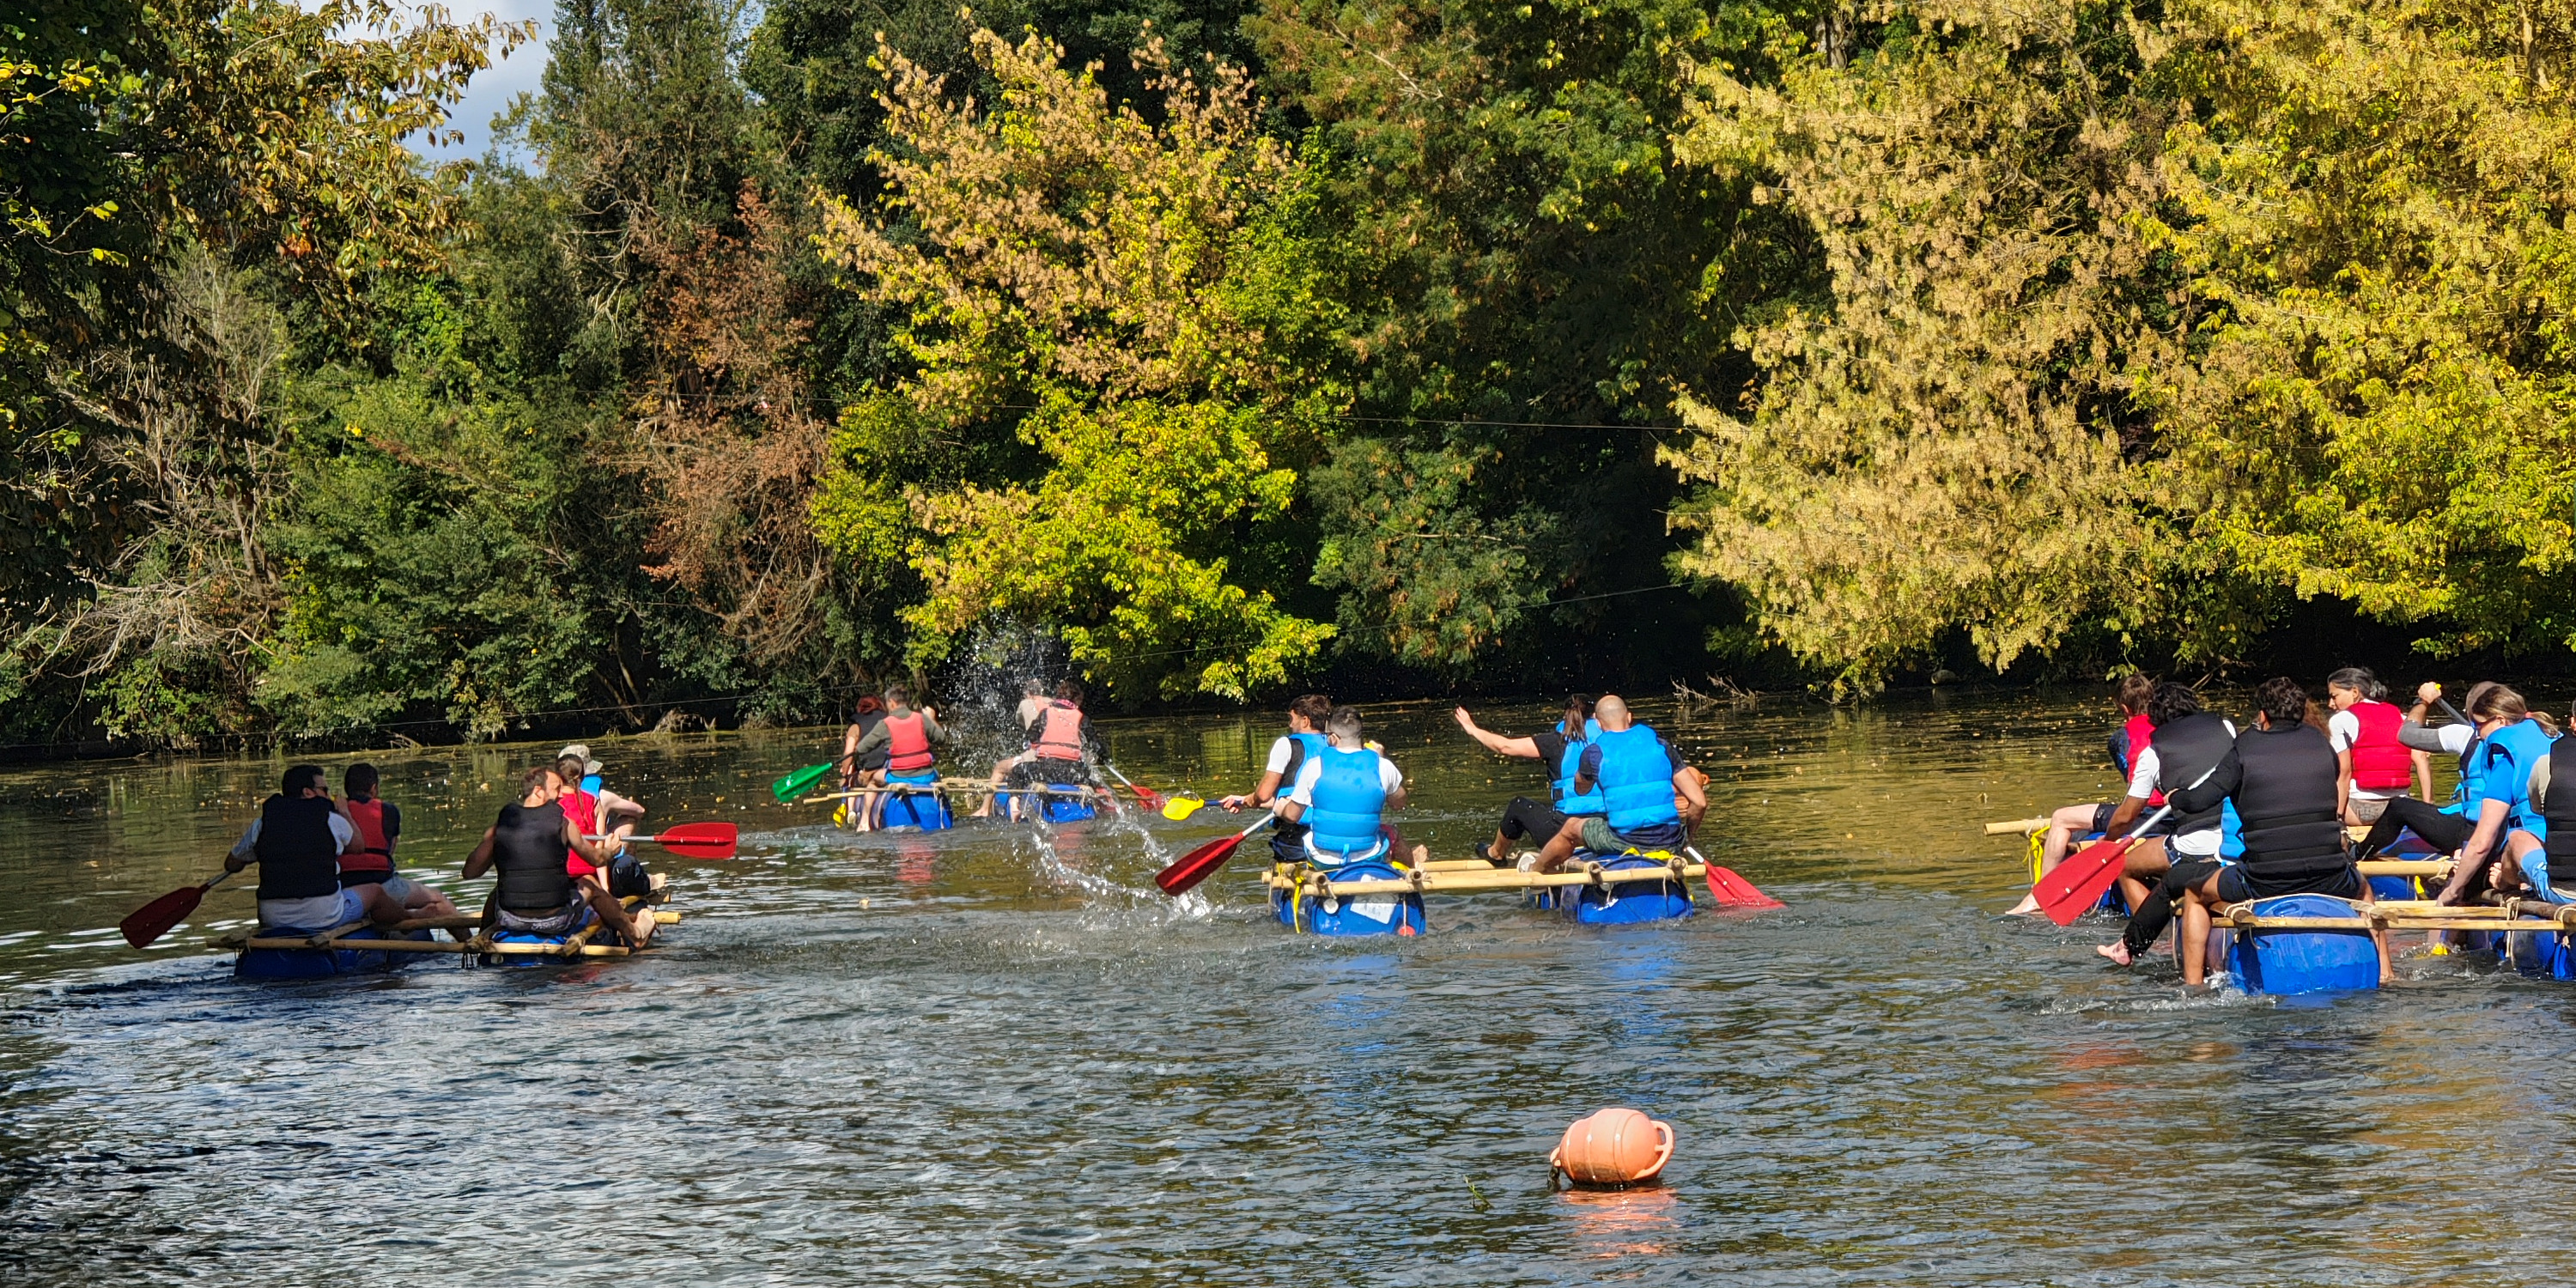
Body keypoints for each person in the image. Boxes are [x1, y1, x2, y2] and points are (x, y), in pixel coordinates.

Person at [2107, 678, 2390, 986]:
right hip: (2331, 872)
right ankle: (2386, 972)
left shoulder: (2246, 747)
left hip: (2265, 879)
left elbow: (2203, 798)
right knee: (2364, 889)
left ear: (2264, 715)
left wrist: (2175, 796)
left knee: (2193, 892)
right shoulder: (2322, 744)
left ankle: (2193, 988)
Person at [2039, 682, 2233, 926]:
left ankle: (2150, 934)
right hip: (2234, 832)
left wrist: (2107, 841)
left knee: (2124, 867)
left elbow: (2126, 815)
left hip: (2192, 840)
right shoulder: (2226, 728)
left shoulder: (2153, 753)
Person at [224, 765, 455, 932]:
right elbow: (358, 846)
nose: (329, 795)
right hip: (322, 915)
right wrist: (344, 813)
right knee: (375, 891)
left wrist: (259, 852)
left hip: (272, 918)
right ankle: (409, 918)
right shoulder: (330, 819)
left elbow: (231, 864)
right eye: (324, 790)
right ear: (308, 792)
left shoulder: (263, 824)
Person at [463, 765, 653, 945]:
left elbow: (470, 872)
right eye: (556, 789)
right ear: (538, 791)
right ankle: (635, 935)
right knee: (590, 883)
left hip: (509, 919)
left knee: (498, 891)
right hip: (555, 920)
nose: (562, 794)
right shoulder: (564, 823)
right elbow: (596, 859)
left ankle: (482, 938)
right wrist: (611, 850)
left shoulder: (502, 825)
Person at [1530, 695, 1706, 874]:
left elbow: (1581, 789)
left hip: (1625, 840)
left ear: (1598, 724)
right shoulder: (1661, 745)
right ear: (1629, 717)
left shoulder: (1594, 753)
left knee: (1570, 828)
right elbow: (1699, 803)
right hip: (1671, 840)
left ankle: (1536, 873)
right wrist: (1686, 838)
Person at [2026, 675, 2162, 895]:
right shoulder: (2171, 730)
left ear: (2125, 709)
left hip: (2142, 816)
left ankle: (2042, 895)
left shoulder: (2120, 738)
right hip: (2170, 812)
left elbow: (2130, 778)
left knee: (2060, 818)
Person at [2435, 685, 2559, 909]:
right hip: (2561, 846)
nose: (2477, 734)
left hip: (2534, 849)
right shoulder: (2553, 737)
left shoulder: (2505, 760)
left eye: (2478, 725)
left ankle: (2447, 941)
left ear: (2500, 721)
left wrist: (2452, 890)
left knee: (2459, 885)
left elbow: (2482, 842)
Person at [1452, 696, 1601, 865]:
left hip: (1560, 834)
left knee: (1519, 805)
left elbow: (1504, 747)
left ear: (1565, 716)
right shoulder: (1608, 741)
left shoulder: (1554, 742)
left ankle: (1496, 854)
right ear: (1595, 716)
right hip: (1603, 830)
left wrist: (1473, 729)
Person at [1273, 706, 1420, 868]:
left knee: (1308, 835)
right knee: (1392, 833)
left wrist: (1281, 810)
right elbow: (1399, 803)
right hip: (1368, 855)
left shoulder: (1314, 766)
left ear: (1333, 738)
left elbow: (1293, 816)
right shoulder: (1382, 766)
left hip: (1322, 858)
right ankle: (1413, 874)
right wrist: (1381, 758)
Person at [1218, 694, 1333, 866]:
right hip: (1331, 834)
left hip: (1296, 839)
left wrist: (1253, 800)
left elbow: (1264, 794)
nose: (1289, 724)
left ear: (1305, 721)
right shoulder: (1336, 745)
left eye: (1292, 719)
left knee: (1278, 866)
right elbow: (1299, 797)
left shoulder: (1285, 745)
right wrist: (1244, 800)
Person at [976, 679, 1100, 817]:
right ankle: (1096, 805)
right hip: (1073, 773)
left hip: (1047, 771)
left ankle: (1014, 805)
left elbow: (1031, 736)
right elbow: (1097, 746)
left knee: (1017, 771)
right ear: (1076, 699)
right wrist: (1102, 758)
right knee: (1093, 776)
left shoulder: (1046, 713)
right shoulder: (1082, 718)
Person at [844, 685, 951, 829]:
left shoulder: (886, 724)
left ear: (892, 702)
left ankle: (864, 822)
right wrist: (931, 719)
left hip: (899, 776)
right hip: (926, 776)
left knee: (874, 780)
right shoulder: (921, 719)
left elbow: (863, 747)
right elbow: (941, 738)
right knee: (937, 774)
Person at [2324, 667, 2413, 825]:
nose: (2331, 704)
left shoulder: (2340, 720)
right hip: (2401, 808)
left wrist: (2336, 818)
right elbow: (2420, 760)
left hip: (2360, 809)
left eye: (2334, 696)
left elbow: (2344, 771)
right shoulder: (2401, 716)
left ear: (2355, 692)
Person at [556, 745, 648, 898]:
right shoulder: (599, 798)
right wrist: (605, 890)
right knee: (629, 818)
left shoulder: (551, 798)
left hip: (563, 871)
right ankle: (631, 865)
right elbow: (639, 811)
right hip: (596, 862)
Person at [337, 762, 402, 889]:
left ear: (346, 788)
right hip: (381, 879)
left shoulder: (335, 811)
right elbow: (391, 849)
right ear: (374, 787)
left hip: (345, 880)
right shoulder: (389, 810)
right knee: (437, 900)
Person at [839, 695, 889, 808]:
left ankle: (851, 811)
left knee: (851, 777)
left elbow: (848, 754)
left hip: (870, 773)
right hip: (891, 771)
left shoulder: (856, 727)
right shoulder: (890, 721)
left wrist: (844, 774)